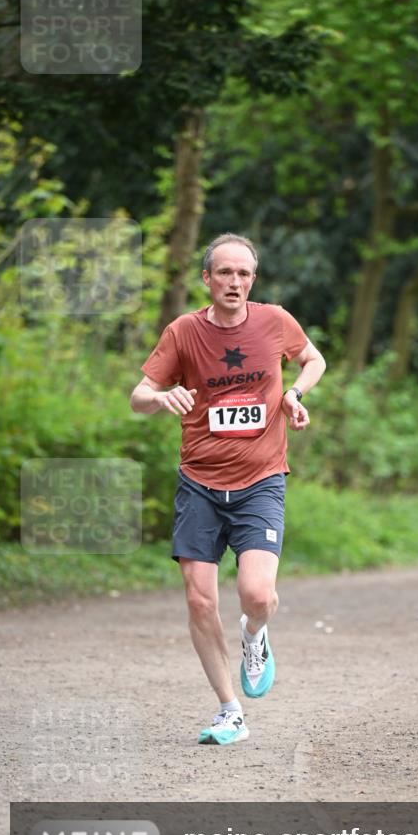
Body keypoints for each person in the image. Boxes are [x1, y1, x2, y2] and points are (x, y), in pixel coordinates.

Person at [130, 233, 326, 743]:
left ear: (252, 280)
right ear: (207, 279)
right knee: (200, 601)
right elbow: (138, 395)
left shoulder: (274, 321)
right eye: (224, 272)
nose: (234, 282)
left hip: (261, 481)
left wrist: (294, 394)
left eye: (243, 273)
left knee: (257, 595)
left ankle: (254, 634)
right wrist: (162, 397)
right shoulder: (183, 331)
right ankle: (229, 710)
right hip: (199, 483)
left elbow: (314, 359)